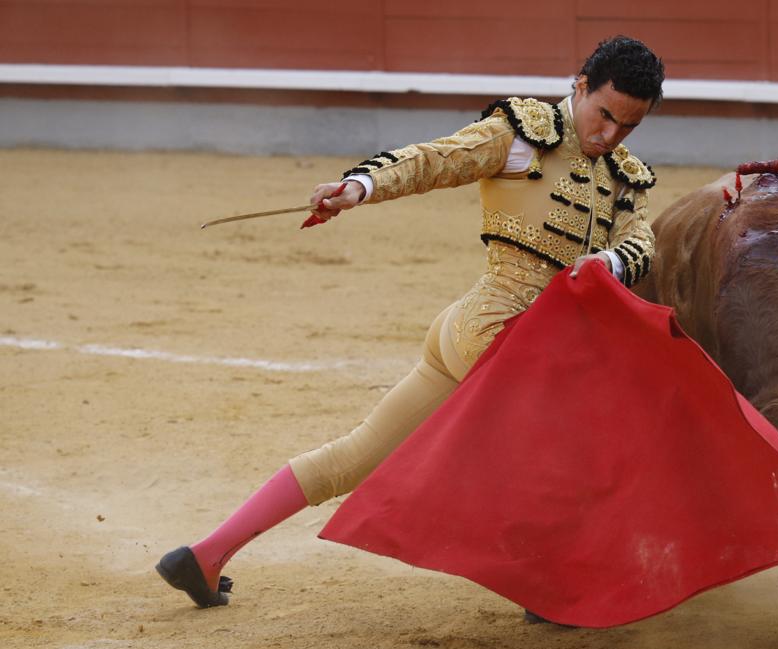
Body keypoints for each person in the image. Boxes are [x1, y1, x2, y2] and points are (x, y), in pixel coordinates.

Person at [157, 36, 665, 609]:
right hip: (500, 338)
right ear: (581, 86)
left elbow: (641, 242)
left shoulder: (626, 178)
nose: (611, 135)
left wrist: (612, 261)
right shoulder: (525, 135)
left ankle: (206, 555)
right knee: (589, 446)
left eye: (629, 126)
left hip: (468, 334)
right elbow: (433, 160)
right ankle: (547, 584)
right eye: (605, 116)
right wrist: (362, 185)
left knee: (356, 455)